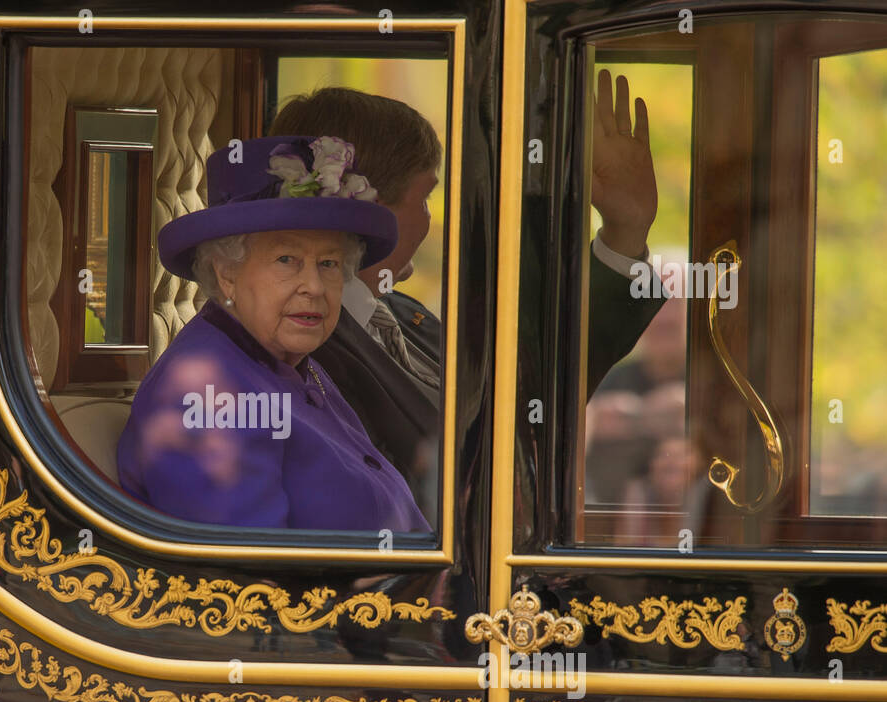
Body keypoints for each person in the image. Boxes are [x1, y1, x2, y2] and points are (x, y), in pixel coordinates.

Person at [269, 76, 665, 521]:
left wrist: (626, 231)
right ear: (372, 212)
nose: (430, 220)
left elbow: (530, 397)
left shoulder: (401, 314)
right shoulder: (301, 349)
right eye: (425, 198)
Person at [116, 135, 429, 532]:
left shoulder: (289, 361)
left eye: (329, 264)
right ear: (226, 273)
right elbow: (249, 581)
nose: (314, 287)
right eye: (287, 260)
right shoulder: (206, 394)